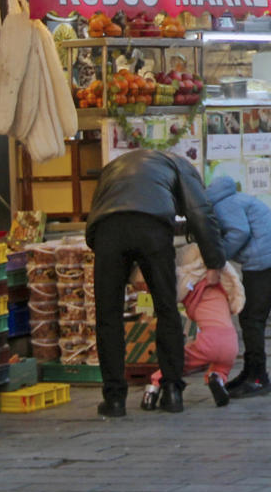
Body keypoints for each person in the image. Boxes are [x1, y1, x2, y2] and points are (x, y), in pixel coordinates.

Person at [85, 148, 224, 418]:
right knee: (166, 310)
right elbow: (200, 213)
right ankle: (172, 391)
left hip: (107, 231)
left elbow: (96, 210)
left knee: (108, 316)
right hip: (152, 228)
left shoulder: (115, 166)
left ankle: (114, 399)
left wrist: (111, 255)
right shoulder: (181, 167)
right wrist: (214, 261)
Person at [206, 174, 271, 397]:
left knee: (252, 319)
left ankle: (258, 378)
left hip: (264, 261)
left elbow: (239, 232)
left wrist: (219, 257)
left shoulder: (224, 205)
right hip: (269, 258)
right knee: (249, 318)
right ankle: (251, 372)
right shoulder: (237, 199)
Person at [141, 242, 245, 410]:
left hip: (208, 342)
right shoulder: (220, 288)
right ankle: (216, 378)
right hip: (231, 344)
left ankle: (153, 386)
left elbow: (180, 295)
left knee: (176, 362)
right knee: (222, 365)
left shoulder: (191, 290)